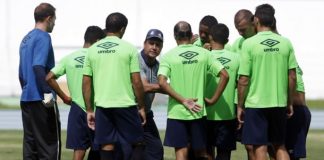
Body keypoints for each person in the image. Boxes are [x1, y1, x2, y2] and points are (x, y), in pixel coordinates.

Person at [158, 21, 229, 160]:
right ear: (191, 35)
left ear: (174, 36)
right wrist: (213, 100)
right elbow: (225, 75)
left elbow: (161, 82)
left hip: (177, 113)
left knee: (181, 154)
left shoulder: (168, 56)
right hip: (198, 111)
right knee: (202, 153)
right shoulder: (204, 54)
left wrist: (184, 101)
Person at [237, 3, 298, 160]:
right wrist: (289, 101)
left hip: (256, 104)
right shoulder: (286, 42)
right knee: (279, 144)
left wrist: (240, 105)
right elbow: (292, 76)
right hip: (278, 103)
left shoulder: (249, 44)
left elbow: (243, 79)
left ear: (256, 20)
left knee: (260, 146)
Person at [82, 12, 146, 160]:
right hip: (126, 104)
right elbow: (136, 81)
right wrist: (141, 106)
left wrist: (89, 109)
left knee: (107, 145)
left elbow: (86, 82)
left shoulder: (92, 50)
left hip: (103, 106)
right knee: (138, 142)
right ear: (123, 29)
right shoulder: (129, 48)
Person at [46, 26, 106, 160]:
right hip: (97, 109)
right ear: (97, 41)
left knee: (79, 151)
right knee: (103, 149)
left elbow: (49, 77)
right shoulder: (98, 59)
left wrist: (65, 97)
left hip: (77, 109)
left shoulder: (69, 58)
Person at [18, 3, 61, 160]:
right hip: (41, 100)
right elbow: (38, 67)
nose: (55, 23)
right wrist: (47, 93)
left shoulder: (25, 39)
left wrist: (26, 89)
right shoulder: (43, 37)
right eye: (54, 19)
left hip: (26, 97)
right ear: (49, 18)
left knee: (31, 147)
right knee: (49, 147)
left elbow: (21, 73)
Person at [205, 23, 240, 160]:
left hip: (206, 112)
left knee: (207, 153)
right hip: (228, 113)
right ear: (227, 40)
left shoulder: (204, 57)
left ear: (210, 37)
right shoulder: (237, 58)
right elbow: (241, 82)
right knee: (224, 154)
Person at [231, 9, 256, 160]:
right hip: (241, 101)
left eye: (242, 29)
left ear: (253, 22)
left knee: (272, 145)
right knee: (249, 145)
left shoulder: (263, 42)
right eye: (237, 30)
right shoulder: (237, 44)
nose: (240, 33)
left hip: (259, 100)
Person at [139, 29, 165, 160]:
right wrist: (167, 89)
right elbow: (143, 87)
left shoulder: (158, 65)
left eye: (158, 45)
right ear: (144, 44)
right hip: (131, 113)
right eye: (151, 43)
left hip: (147, 114)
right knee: (133, 152)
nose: (154, 47)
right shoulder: (136, 60)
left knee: (156, 151)